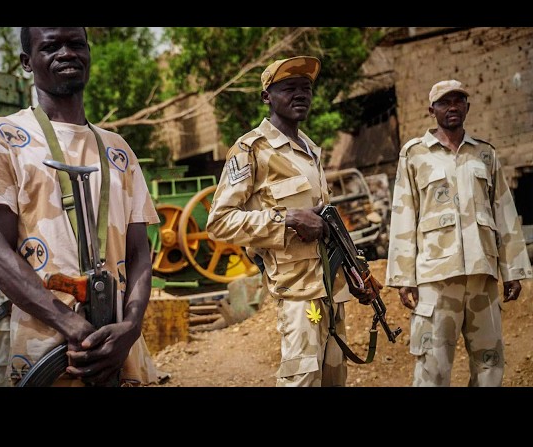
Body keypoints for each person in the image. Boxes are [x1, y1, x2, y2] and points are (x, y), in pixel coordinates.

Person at [0, 27, 161, 387]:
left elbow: (139, 255)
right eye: (51, 46)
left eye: (76, 43)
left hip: (119, 351)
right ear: (27, 61)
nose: (66, 53)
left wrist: (131, 328)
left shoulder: (119, 150)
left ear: (88, 53)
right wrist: (71, 324)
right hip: (43, 351)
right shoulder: (1, 139)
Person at [207, 56, 361, 387]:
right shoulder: (251, 149)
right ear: (267, 96)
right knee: (301, 378)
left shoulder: (310, 150)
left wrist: (354, 271)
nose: (301, 95)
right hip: (295, 291)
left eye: (306, 88)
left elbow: (328, 224)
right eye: (289, 88)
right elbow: (219, 221)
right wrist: (286, 219)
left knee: (334, 377)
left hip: (330, 289)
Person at [386, 79, 532, 387]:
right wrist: (403, 278)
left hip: (482, 276)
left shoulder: (485, 155)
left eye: (458, 101)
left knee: (490, 362)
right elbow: (403, 215)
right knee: (433, 366)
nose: (452, 107)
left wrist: (513, 270)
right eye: (444, 102)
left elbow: (504, 212)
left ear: (467, 106)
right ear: (432, 110)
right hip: (436, 280)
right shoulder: (414, 155)